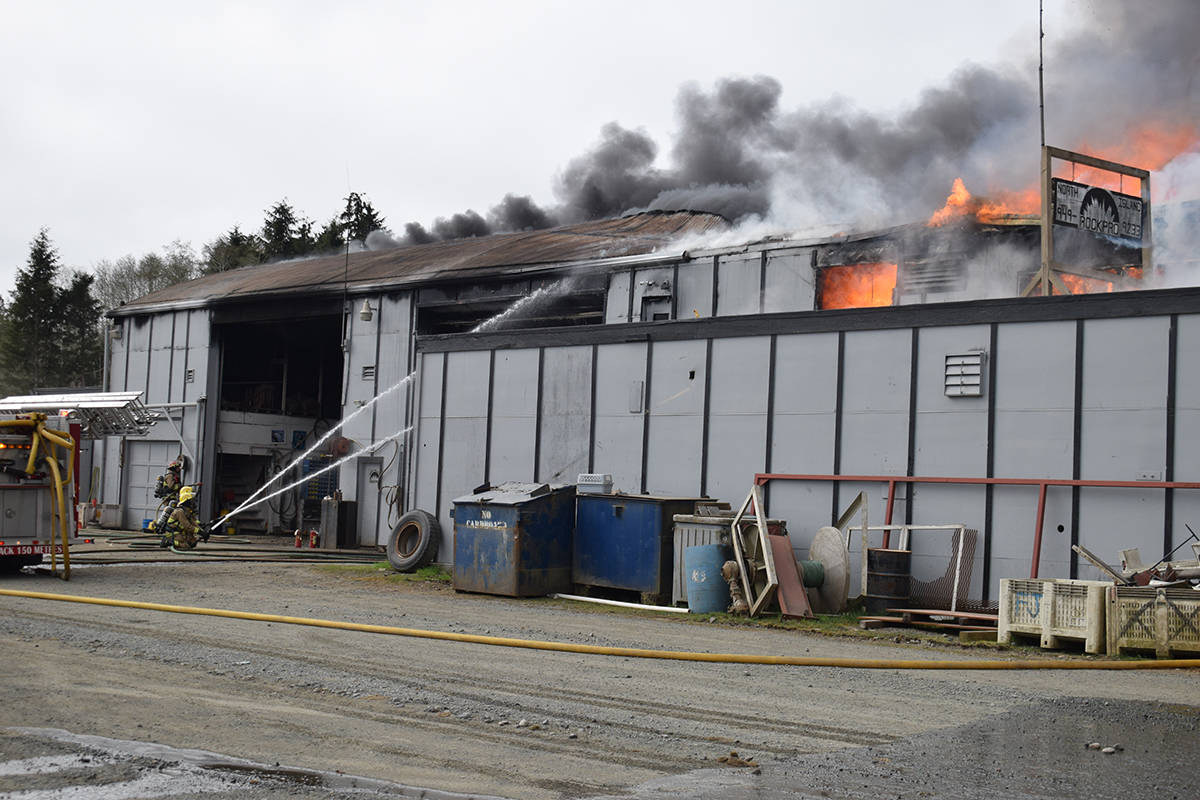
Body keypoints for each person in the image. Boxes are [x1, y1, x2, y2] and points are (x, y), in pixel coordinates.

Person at [163, 485, 208, 550]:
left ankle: (179, 540)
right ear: (186, 501)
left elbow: (193, 522)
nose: (193, 502)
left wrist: (203, 531)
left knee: (193, 543)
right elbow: (188, 526)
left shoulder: (187, 511)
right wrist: (200, 532)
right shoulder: (179, 511)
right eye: (191, 500)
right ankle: (168, 541)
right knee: (186, 546)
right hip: (173, 533)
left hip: (181, 532)